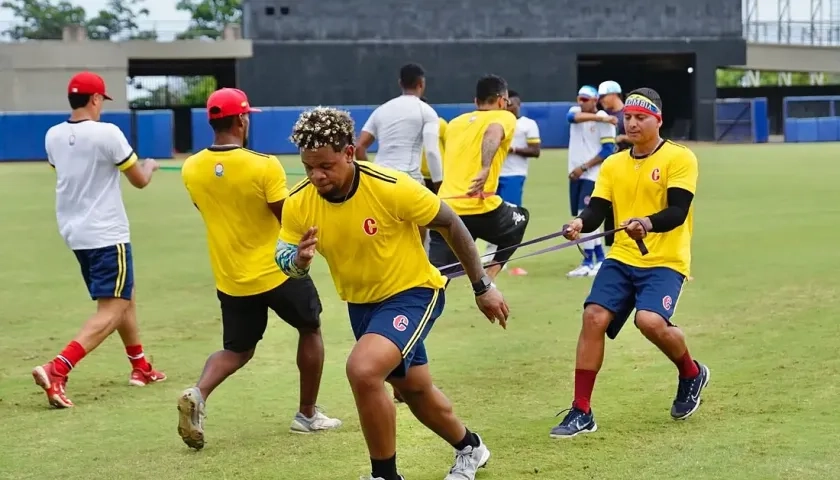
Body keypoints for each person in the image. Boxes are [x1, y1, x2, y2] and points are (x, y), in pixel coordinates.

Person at [277, 106, 509, 480]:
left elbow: (450, 222)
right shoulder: (300, 201)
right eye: (308, 167)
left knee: (363, 370)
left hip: (413, 293)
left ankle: (384, 476)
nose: (317, 176)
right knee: (416, 391)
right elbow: (284, 257)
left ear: (350, 153)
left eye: (326, 166)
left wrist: (483, 286)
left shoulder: (390, 186)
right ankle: (471, 448)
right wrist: (300, 261)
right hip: (361, 304)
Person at [177, 88, 341, 450]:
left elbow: (206, 211)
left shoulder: (191, 167)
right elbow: (288, 220)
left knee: (237, 350)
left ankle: (198, 392)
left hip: (231, 276)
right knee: (310, 327)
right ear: (241, 119)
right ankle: (307, 414)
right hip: (277, 270)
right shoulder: (264, 164)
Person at [550, 88, 710, 439]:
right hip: (622, 255)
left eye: (641, 117)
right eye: (629, 117)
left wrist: (647, 223)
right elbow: (597, 211)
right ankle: (582, 410)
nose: (633, 123)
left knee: (650, 322)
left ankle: (691, 372)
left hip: (666, 259)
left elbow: (678, 211)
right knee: (593, 316)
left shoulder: (680, 158)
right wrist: (579, 222)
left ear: (658, 120)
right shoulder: (613, 164)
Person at [33, 71, 165, 409]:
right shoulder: (108, 133)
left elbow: (65, 170)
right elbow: (138, 180)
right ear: (95, 100)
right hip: (107, 233)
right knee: (113, 307)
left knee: (125, 296)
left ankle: (141, 367)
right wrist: (149, 166)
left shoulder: (53, 135)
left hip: (75, 233)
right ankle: (58, 368)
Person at [430, 75, 531, 281]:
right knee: (521, 218)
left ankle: (419, 309)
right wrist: (485, 167)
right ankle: (490, 275)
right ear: (502, 100)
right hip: (480, 207)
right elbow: (493, 132)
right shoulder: (504, 117)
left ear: (476, 101)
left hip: (445, 208)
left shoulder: (455, 123)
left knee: (437, 278)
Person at [355, 63, 443, 190]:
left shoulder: (381, 110)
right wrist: (439, 186)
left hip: (380, 180)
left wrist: (371, 176)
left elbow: (359, 147)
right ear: (421, 84)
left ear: (400, 83)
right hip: (408, 180)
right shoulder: (426, 111)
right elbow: (431, 152)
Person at [482, 90, 541, 273]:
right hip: (494, 174)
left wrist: (512, 149)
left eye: (513, 104)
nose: (509, 107)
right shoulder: (496, 123)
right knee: (490, 213)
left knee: (507, 214)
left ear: (519, 105)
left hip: (515, 174)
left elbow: (535, 150)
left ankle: (502, 256)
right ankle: (489, 254)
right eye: (507, 104)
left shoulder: (527, 124)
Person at [565, 85, 617, 278]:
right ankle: (599, 258)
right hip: (575, 174)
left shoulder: (606, 120)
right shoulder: (579, 113)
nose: (581, 102)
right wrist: (600, 118)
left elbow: (607, 150)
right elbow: (572, 118)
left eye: (585, 99)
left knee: (583, 216)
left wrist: (584, 167)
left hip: (592, 175)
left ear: (595, 100)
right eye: (580, 98)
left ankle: (588, 261)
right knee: (579, 214)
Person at [597, 80, 629, 248]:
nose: (601, 100)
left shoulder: (628, 115)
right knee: (609, 211)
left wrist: (624, 138)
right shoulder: (604, 116)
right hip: (612, 170)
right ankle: (612, 250)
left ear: (614, 94)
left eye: (603, 96)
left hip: (631, 169)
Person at [419, 96, 448, 194]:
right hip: (420, 175)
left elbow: (447, 145)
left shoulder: (440, 123)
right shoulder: (412, 125)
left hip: (440, 174)